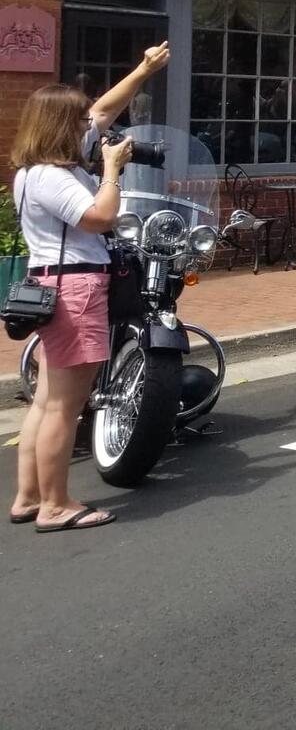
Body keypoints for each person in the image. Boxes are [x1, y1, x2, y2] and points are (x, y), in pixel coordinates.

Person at [10, 41, 170, 532]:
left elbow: (104, 109)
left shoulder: (29, 173)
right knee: (66, 404)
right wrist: (114, 171)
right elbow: (101, 218)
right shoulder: (56, 178)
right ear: (61, 127)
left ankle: (29, 497)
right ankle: (57, 506)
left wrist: (142, 69)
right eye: (78, 121)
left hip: (50, 284)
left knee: (46, 401)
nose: (90, 125)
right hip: (76, 289)